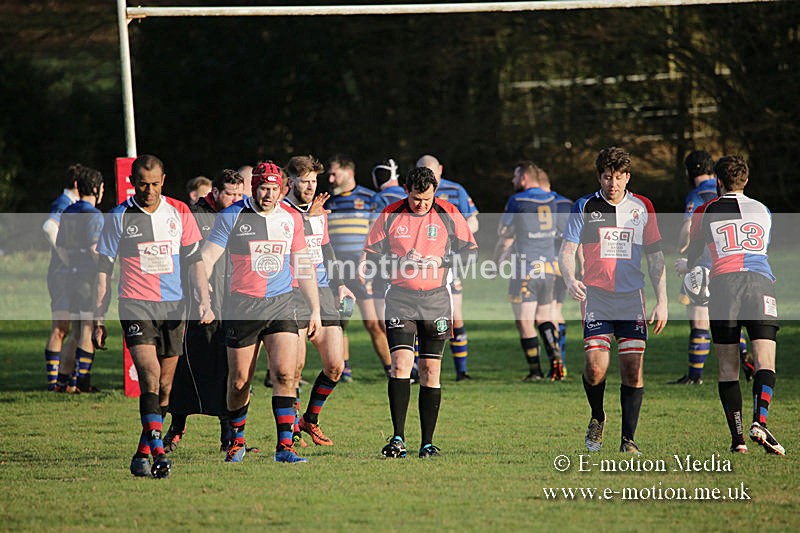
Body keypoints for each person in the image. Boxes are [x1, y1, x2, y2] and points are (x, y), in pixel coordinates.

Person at [95, 154, 213, 479]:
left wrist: (205, 300)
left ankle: (142, 453)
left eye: (154, 184)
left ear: (164, 180)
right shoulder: (119, 217)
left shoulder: (179, 212)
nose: (149, 190)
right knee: (149, 374)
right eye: (142, 184)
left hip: (174, 308)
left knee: (164, 387)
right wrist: (98, 317)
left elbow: (195, 262)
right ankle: (160, 455)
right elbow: (103, 271)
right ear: (133, 181)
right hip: (136, 305)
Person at [201, 160, 320, 464]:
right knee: (240, 380)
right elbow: (206, 258)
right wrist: (204, 295)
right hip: (242, 306)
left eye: (274, 188)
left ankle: (285, 447)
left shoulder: (290, 219)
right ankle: (236, 441)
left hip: (282, 303)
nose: (268, 194)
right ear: (254, 188)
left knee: (284, 373)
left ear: (283, 189)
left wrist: (315, 310)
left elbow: (303, 264)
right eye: (263, 188)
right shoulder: (233, 215)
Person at [559, 147, 667, 455]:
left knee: (633, 368)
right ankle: (598, 415)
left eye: (619, 177)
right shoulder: (585, 206)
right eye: (607, 177)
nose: (613, 184)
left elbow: (656, 257)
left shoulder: (642, 207)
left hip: (632, 298)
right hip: (596, 297)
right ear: (599, 177)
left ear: (628, 177)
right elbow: (567, 251)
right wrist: (569, 278)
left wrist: (663, 300)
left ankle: (628, 440)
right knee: (595, 368)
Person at [364, 166, 477, 459]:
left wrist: (441, 259)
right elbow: (370, 259)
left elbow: (470, 252)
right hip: (401, 300)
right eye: (416, 198)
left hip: (437, 301)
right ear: (406, 190)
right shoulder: (390, 215)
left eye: (427, 199)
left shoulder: (448, 212)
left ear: (435, 193)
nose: (421, 205)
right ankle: (398, 438)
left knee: (430, 370)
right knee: (401, 365)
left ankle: (427, 443)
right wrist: (399, 259)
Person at [678, 155, 784, 455]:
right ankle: (759, 421)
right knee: (765, 361)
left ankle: (738, 440)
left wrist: (685, 267)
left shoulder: (705, 210)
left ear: (718, 182)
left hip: (725, 287)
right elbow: (761, 248)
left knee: (727, 367)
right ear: (746, 180)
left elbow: (697, 253)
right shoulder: (763, 210)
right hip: (761, 283)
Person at [164, 169, 245, 454]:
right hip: (196, 305)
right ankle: (176, 427)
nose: (236, 199)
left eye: (239, 194)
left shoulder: (244, 215)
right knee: (186, 368)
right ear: (214, 193)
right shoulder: (195, 216)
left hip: (233, 305)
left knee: (228, 370)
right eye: (230, 194)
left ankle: (229, 435)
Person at [282, 155, 354, 447]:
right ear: (290, 182)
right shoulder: (280, 211)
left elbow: (326, 250)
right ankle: (290, 432)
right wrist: (306, 218)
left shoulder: (319, 211)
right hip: (292, 293)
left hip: (323, 291)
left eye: (314, 181)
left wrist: (340, 285)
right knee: (294, 369)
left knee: (335, 365)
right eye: (304, 181)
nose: (310, 186)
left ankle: (309, 420)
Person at [671, 150, 753, 385]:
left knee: (698, 318)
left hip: (703, 261)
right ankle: (746, 360)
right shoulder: (732, 192)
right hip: (732, 259)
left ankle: (694, 376)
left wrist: (683, 248)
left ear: (690, 171)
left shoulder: (698, 194)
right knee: (732, 316)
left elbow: (688, 228)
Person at [494, 161, 564, 381]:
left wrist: (499, 256)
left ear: (523, 178)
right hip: (549, 267)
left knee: (525, 321)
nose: (513, 181)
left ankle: (535, 371)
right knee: (544, 317)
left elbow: (503, 231)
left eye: (515, 177)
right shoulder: (552, 199)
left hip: (526, 268)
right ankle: (556, 359)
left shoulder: (517, 200)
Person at [325, 154, 391, 379]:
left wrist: (367, 262)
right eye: (330, 174)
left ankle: (391, 368)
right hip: (339, 273)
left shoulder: (370, 198)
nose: (331, 178)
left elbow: (377, 235)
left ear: (349, 172)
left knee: (373, 323)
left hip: (364, 271)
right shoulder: (327, 202)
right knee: (340, 323)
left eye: (335, 173)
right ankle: (344, 370)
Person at [416, 155, 479, 381]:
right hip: (415, 265)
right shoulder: (412, 196)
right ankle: (416, 370)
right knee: (417, 318)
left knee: (455, 316)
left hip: (445, 263)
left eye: (431, 172)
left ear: (440, 170)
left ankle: (462, 371)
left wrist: (454, 231)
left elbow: (474, 220)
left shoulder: (455, 191)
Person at [53, 165, 105, 393]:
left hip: (68, 276)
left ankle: (63, 380)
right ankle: (82, 382)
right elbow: (95, 248)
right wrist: (103, 270)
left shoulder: (68, 212)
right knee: (86, 328)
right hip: (86, 277)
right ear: (95, 189)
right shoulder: (93, 215)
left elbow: (60, 246)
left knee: (75, 331)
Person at [42, 164, 81, 391]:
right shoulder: (63, 204)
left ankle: (65, 379)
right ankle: (54, 382)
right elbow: (48, 227)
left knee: (72, 327)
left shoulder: (72, 205)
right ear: (77, 184)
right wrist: (65, 256)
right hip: (61, 276)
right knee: (61, 327)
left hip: (69, 275)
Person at [370, 158, 407, 376]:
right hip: (409, 266)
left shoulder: (380, 198)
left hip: (384, 267)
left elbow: (373, 232)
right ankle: (412, 363)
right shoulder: (409, 197)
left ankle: (402, 365)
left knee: (388, 320)